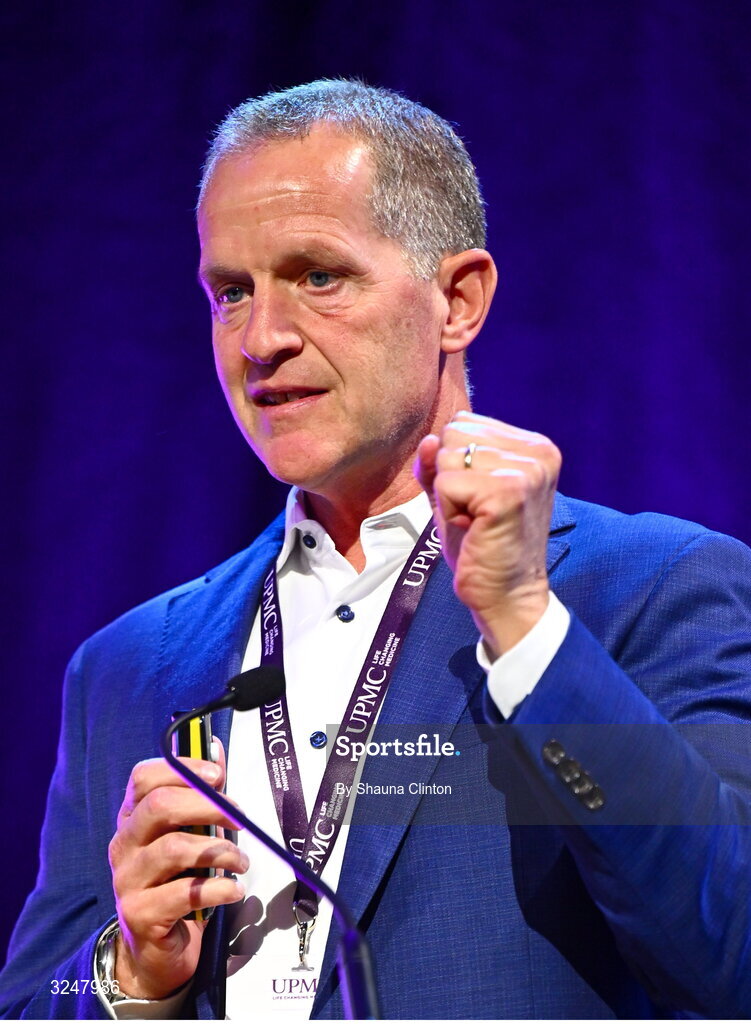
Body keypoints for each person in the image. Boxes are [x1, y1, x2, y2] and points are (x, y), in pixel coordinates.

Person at [2, 78, 751, 1021]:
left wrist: (526, 628)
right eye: (231, 291)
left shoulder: (653, 591)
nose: (261, 339)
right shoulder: (125, 668)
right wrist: (129, 974)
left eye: (318, 275)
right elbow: (36, 1001)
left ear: (457, 300)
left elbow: (733, 955)